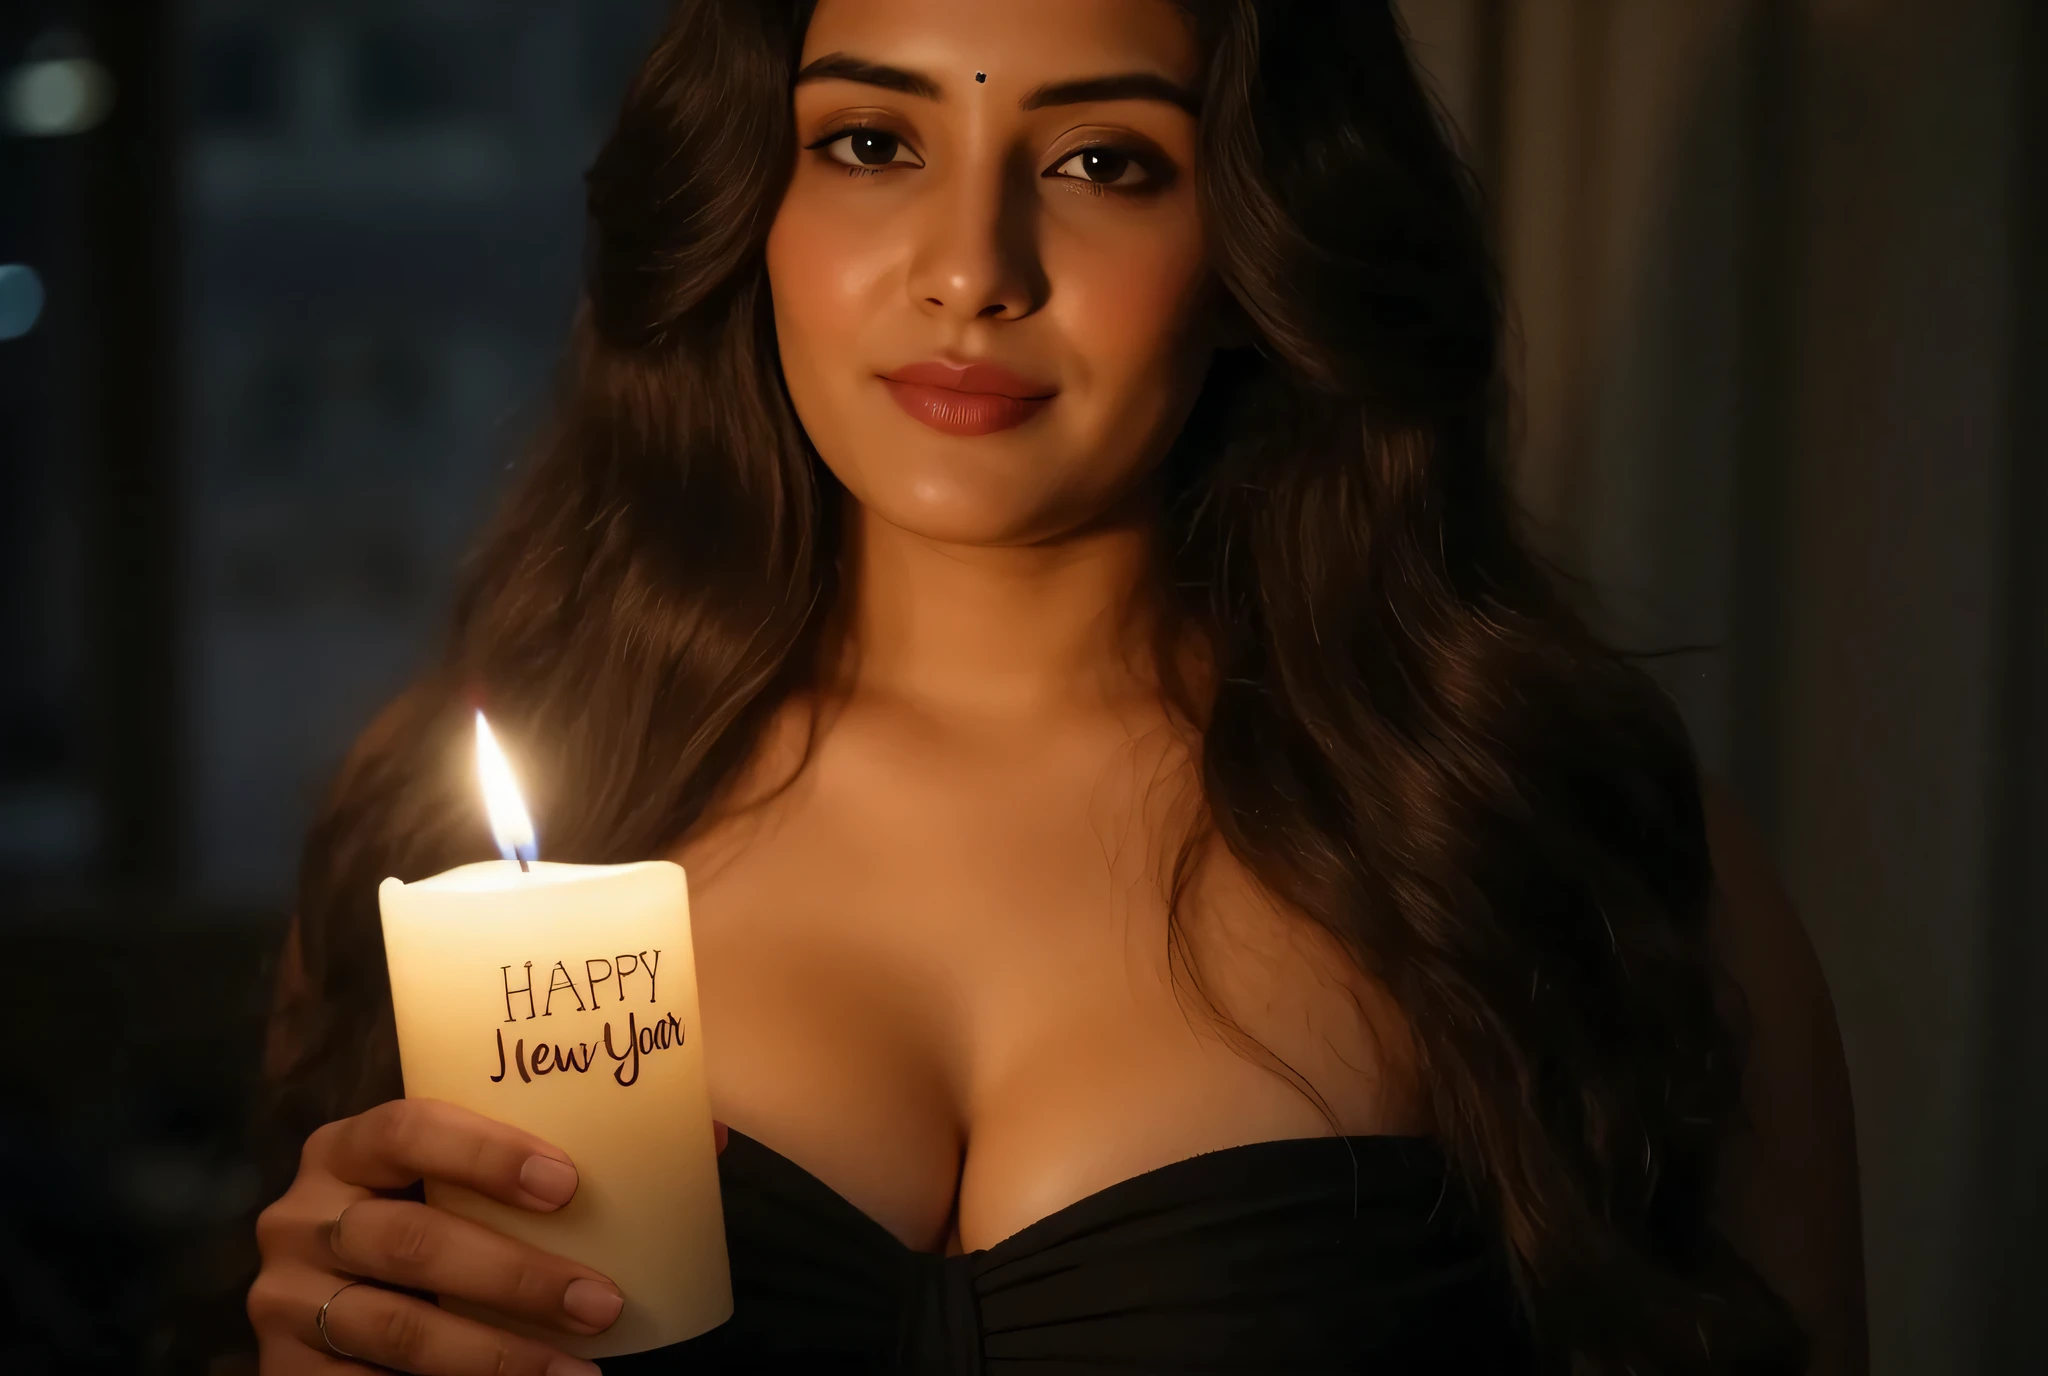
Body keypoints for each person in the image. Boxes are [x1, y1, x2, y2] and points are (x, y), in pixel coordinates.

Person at [245, 1, 1866, 1372]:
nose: (972, 270)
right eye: (873, 144)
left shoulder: (1561, 827)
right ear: (752, 204)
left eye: (1105, 161)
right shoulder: (441, 827)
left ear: (1255, 241)